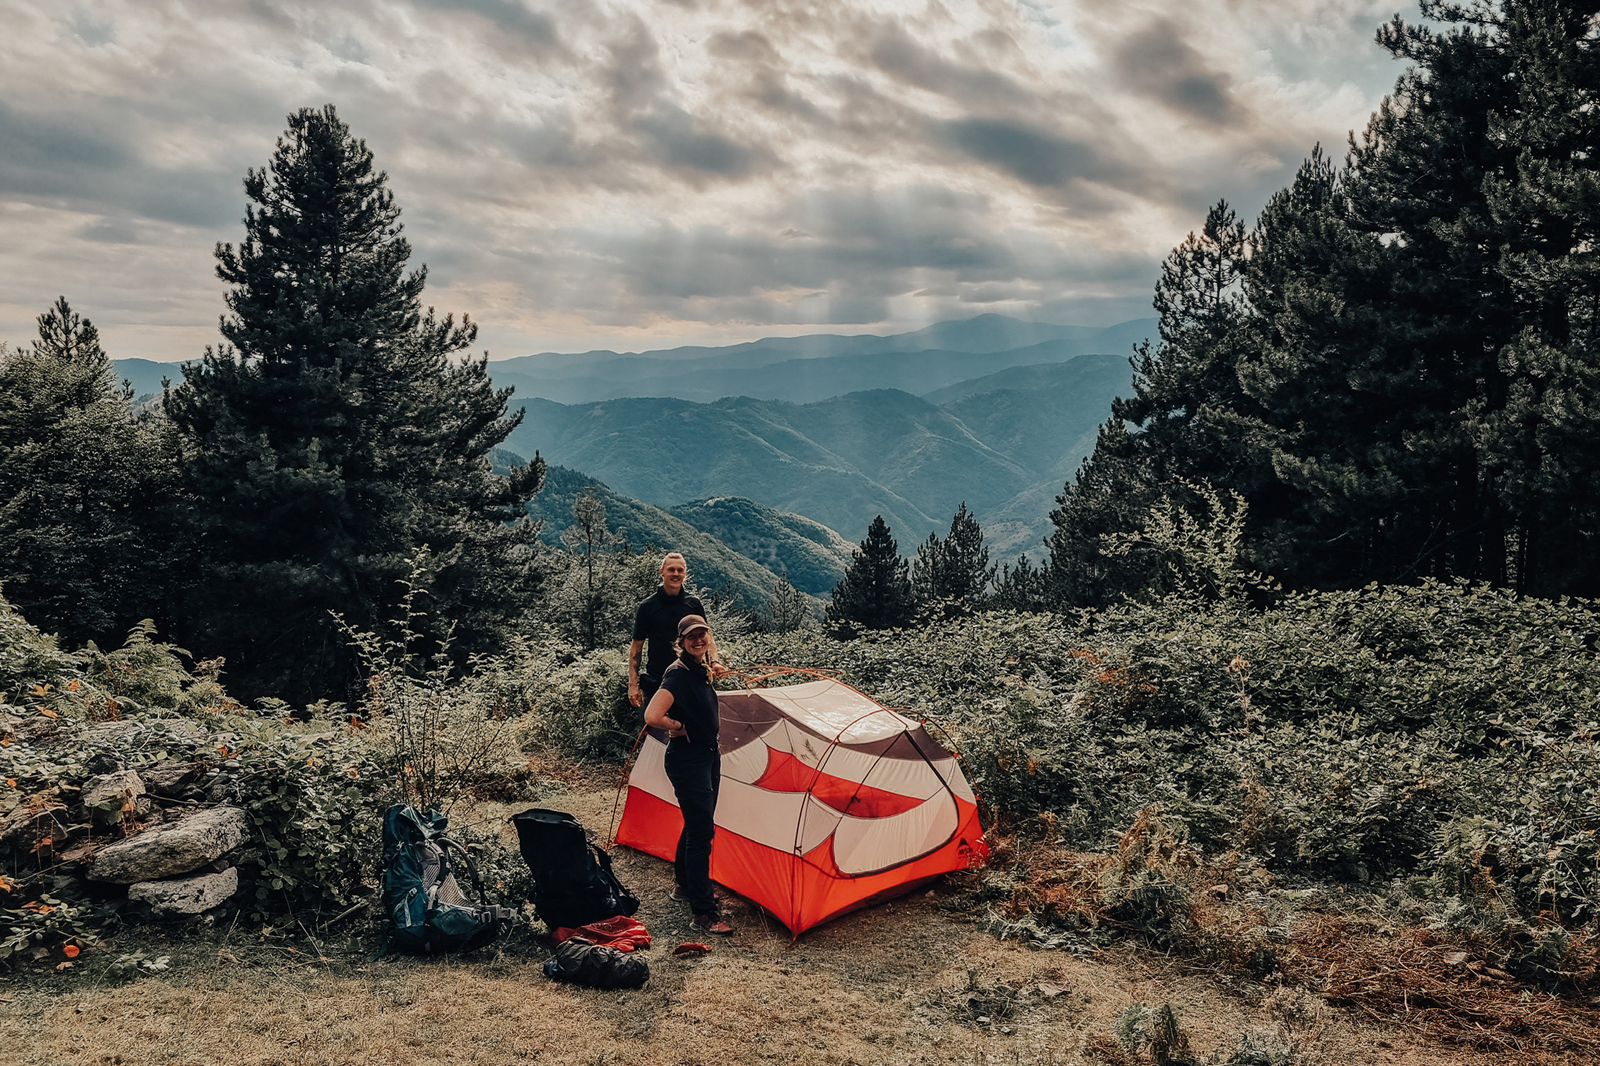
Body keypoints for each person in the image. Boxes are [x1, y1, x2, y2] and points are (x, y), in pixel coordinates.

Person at [643, 614, 733, 935]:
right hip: (688, 761)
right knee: (701, 833)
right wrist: (677, 726)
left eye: (702, 635)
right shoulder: (678, 674)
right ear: (681, 642)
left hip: (707, 756)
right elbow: (652, 715)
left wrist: (713, 668)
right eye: (691, 636)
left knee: (697, 824)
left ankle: (684, 884)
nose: (698, 640)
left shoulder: (699, 669)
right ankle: (704, 913)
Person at [629, 552, 725, 710]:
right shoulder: (647, 607)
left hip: (692, 678)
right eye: (671, 569)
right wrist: (633, 685)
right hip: (658, 681)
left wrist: (714, 661)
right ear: (662, 571)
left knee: (694, 731)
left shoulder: (693, 604)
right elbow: (636, 648)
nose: (675, 574)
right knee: (654, 730)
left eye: (680, 570)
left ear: (685, 573)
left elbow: (707, 637)